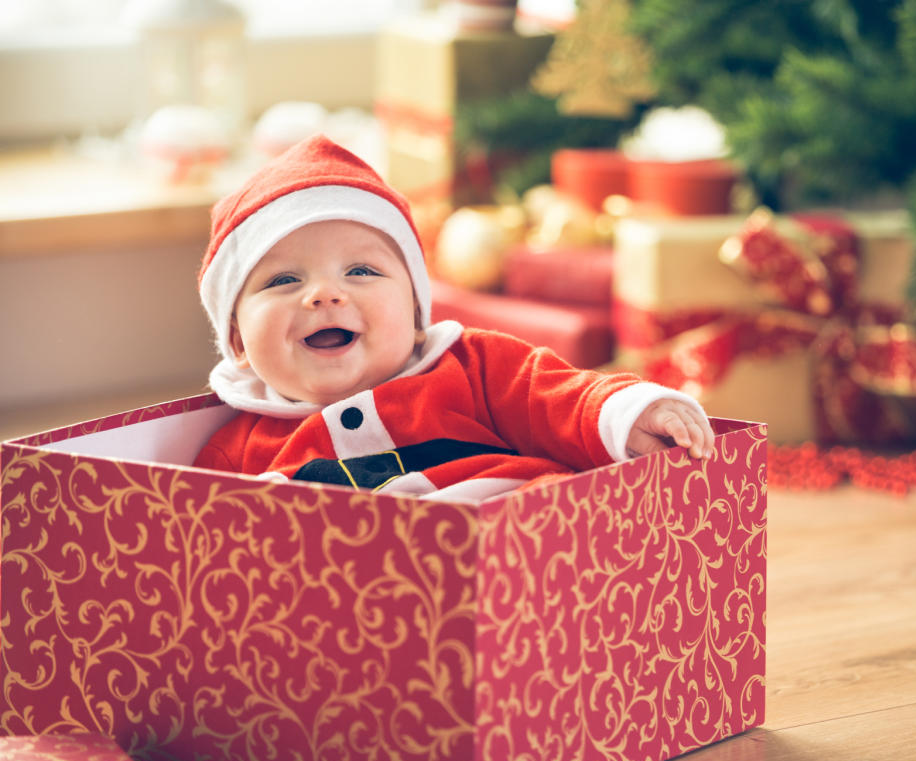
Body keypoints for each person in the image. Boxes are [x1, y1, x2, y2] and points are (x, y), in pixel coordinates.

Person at [193, 135, 713, 501]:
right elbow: (210, 539)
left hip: (515, 528)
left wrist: (629, 413)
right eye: (284, 281)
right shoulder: (236, 449)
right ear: (237, 342)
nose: (325, 295)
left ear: (417, 313)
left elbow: (561, 396)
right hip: (365, 596)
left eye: (360, 271)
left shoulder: (472, 366)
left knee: (558, 499)